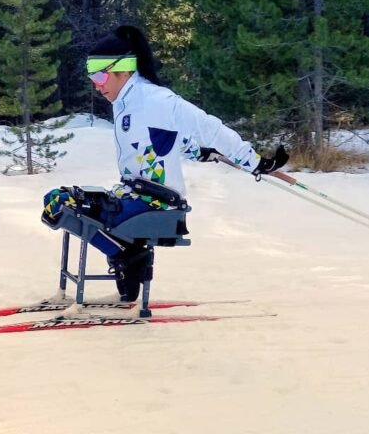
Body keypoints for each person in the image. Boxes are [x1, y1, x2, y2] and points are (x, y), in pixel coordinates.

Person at [42, 25, 285, 302]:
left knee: (63, 204)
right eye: (91, 77)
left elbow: (209, 127)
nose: (96, 84)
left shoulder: (156, 99)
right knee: (56, 202)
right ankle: (126, 255)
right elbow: (162, 139)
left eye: (99, 75)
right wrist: (198, 152)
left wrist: (252, 161)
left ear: (124, 70)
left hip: (157, 201)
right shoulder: (125, 102)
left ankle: (128, 256)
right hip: (133, 192)